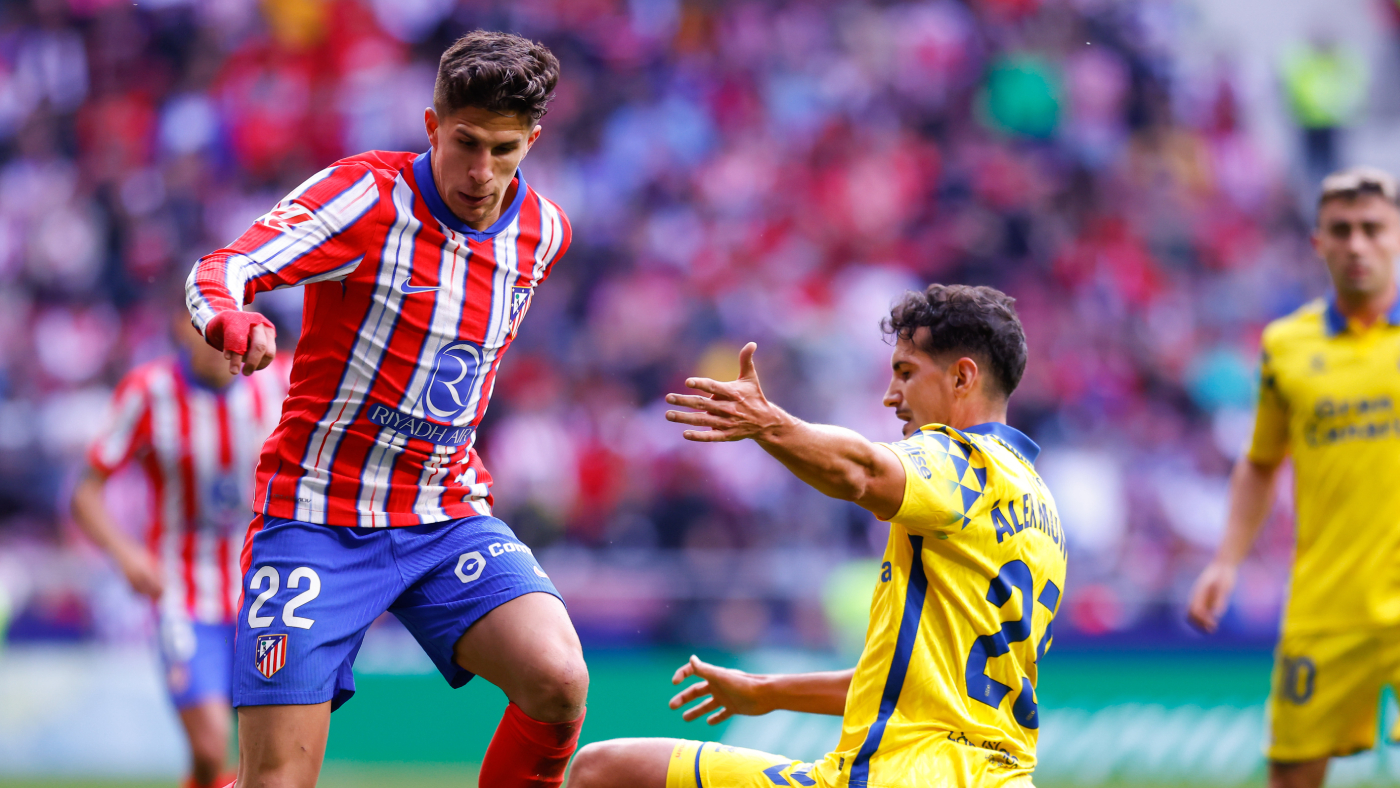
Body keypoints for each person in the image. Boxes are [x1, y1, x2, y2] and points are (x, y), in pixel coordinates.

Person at [183, 31, 586, 788]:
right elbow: (224, 267)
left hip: (443, 512)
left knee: (558, 679)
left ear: (531, 142)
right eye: (465, 143)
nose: (482, 171)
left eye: (503, 150)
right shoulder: (364, 197)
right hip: (315, 516)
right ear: (433, 126)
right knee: (276, 779)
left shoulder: (545, 233)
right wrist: (227, 317)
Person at [567, 284, 1067, 788]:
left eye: (906, 372)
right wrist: (765, 691)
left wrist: (767, 423)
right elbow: (910, 686)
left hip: (902, 775)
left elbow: (863, 471)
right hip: (1001, 777)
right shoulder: (1041, 509)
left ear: (962, 377)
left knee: (604, 771)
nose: (891, 395)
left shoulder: (964, 463)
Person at [1187, 166, 1400, 788]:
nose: (1357, 244)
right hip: (1326, 601)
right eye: (1342, 229)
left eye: (1373, 229)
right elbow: (1260, 463)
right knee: (1292, 776)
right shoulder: (1286, 345)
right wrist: (1226, 561)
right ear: (1318, 242)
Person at [72, 307, 288, 788]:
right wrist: (127, 555)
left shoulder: (278, 383)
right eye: (210, 332)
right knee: (210, 748)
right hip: (182, 591)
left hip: (264, 588)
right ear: (183, 329)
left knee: (267, 750)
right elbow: (84, 493)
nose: (221, 345)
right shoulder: (148, 392)